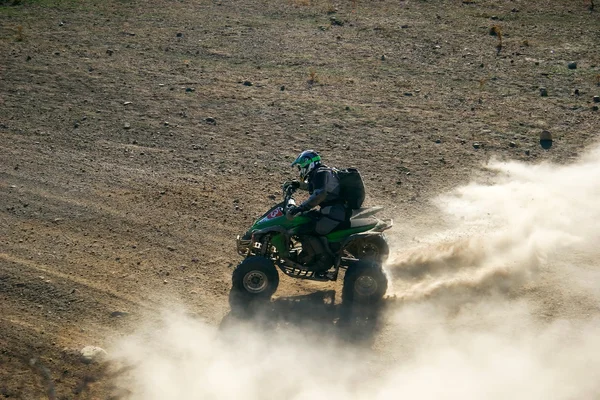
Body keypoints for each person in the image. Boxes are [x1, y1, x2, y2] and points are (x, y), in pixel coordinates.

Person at [284, 150, 348, 236]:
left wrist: (300, 208)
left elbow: (319, 194)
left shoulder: (321, 173)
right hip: (332, 211)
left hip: (333, 213)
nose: (300, 170)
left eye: (300, 167)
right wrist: (298, 184)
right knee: (305, 220)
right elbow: (314, 186)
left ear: (308, 163)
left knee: (305, 230)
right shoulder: (321, 172)